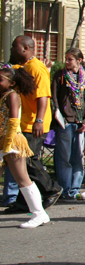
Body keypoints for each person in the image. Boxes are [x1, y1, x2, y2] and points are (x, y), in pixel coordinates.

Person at [3, 35, 62, 213]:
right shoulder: (21, 67)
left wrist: (39, 120)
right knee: (21, 163)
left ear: (25, 49)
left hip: (34, 123)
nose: (11, 49)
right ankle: (24, 202)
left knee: (28, 160)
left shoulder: (37, 68)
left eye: (14, 46)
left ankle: (52, 188)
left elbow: (43, 96)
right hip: (23, 123)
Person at [0, 65, 50, 228]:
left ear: (12, 83)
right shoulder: (3, 95)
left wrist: (7, 145)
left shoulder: (12, 96)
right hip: (3, 141)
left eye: (0, 80)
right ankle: (39, 213)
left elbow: (14, 120)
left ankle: (39, 213)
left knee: (23, 178)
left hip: (12, 141)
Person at [51, 48, 85, 200]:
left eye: (70, 59)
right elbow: (55, 98)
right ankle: (65, 189)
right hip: (65, 122)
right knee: (64, 157)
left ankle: (75, 188)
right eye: (66, 59)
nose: (67, 62)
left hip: (80, 122)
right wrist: (58, 115)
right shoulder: (60, 76)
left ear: (79, 61)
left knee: (78, 157)